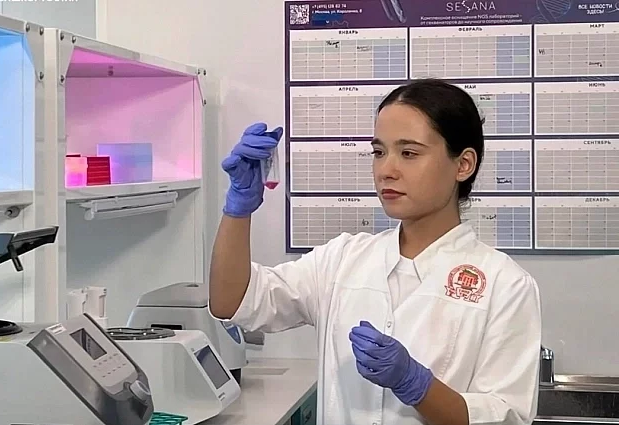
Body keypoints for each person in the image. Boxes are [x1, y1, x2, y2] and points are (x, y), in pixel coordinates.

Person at [209, 79, 541, 425]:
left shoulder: (505, 286)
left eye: (409, 153)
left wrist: (418, 386)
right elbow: (233, 302)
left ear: (463, 165)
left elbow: (505, 416)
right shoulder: (343, 259)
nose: (386, 171)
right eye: (379, 152)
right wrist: (238, 210)